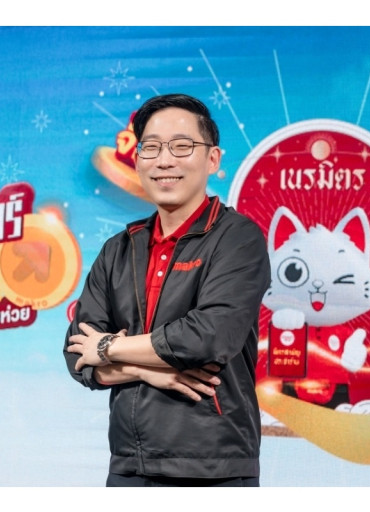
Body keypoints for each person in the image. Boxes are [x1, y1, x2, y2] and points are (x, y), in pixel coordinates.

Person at [64, 93, 271, 487]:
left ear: (212, 159)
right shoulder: (119, 249)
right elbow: (76, 353)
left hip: (214, 466)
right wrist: (147, 371)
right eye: (151, 147)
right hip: (128, 465)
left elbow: (208, 337)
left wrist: (108, 348)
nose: (164, 160)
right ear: (138, 158)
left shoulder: (238, 238)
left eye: (181, 146)